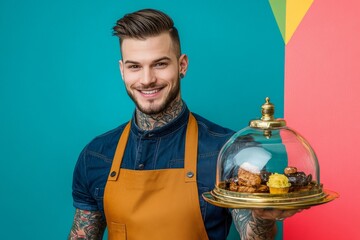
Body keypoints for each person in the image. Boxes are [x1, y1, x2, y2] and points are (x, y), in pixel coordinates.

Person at [68, 8, 300, 240]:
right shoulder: (96, 156)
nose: (147, 79)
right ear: (122, 70)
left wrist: (262, 215)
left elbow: (255, 237)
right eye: (134, 66)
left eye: (159, 64)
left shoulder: (228, 151)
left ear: (182, 65)